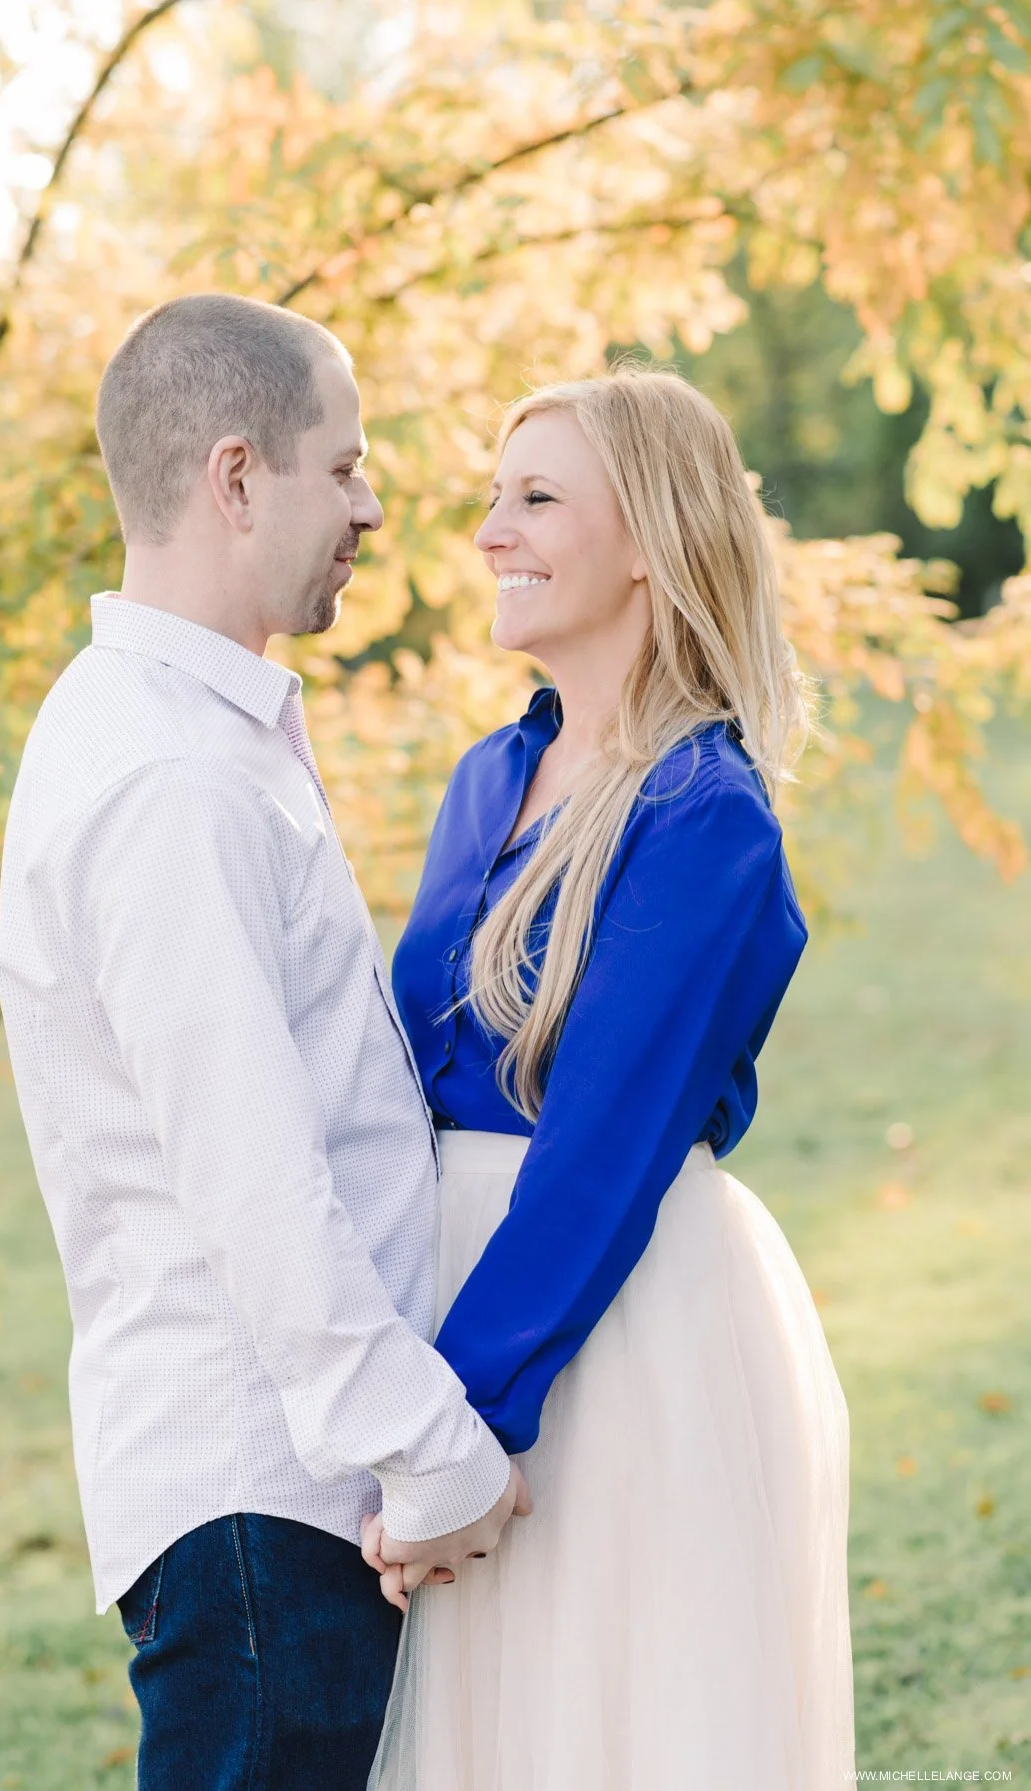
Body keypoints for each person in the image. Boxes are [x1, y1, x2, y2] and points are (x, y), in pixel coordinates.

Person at [0, 292, 529, 1791]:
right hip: (267, 1512)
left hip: (276, 1504)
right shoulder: (167, 775)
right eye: (343, 466)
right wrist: (428, 1447)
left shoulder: (187, 733)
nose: (373, 505)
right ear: (238, 477)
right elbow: (250, 1176)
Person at [363, 366, 856, 1789]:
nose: (488, 531)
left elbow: (603, 1149)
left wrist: (457, 1428)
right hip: (455, 1310)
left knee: (603, 1731)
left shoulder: (708, 817)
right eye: (490, 497)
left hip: (615, 1336)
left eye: (535, 497)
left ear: (647, 534)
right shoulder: (487, 775)